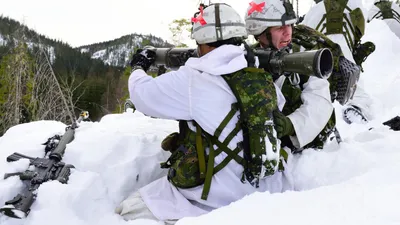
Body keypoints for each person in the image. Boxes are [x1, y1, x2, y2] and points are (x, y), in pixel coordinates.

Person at [115, 3, 291, 224]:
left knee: (127, 210)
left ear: (205, 43)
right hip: (266, 190)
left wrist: (139, 67)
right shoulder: (258, 75)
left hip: (216, 200)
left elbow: (142, 96)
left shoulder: (193, 80)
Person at [244, 0, 334, 151]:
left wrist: (291, 124)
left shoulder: (305, 57)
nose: (288, 32)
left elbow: (320, 102)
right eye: (280, 28)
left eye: (290, 25)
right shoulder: (246, 58)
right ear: (261, 33)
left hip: (304, 148)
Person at [301, 0, 376, 124]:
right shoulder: (355, 4)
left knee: (315, 88)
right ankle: (357, 110)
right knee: (357, 90)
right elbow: (361, 29)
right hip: (346, 59)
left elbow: (304, 33)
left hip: (319, 58)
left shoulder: (314, 11)